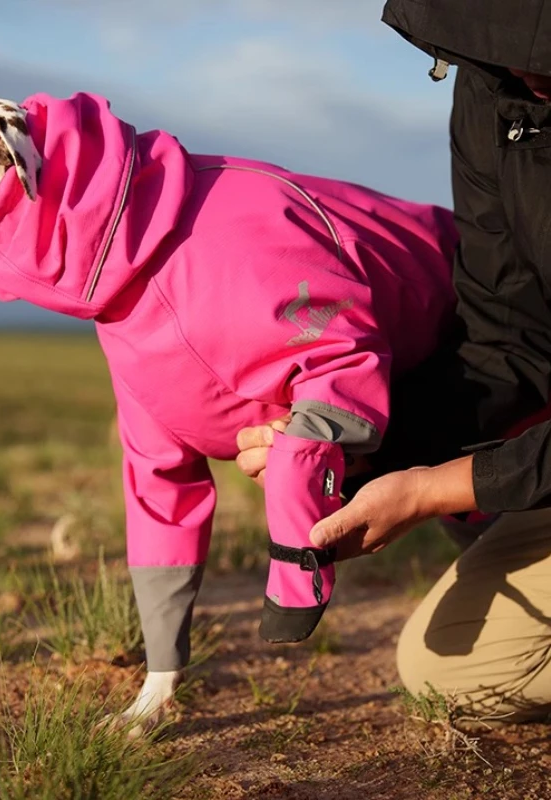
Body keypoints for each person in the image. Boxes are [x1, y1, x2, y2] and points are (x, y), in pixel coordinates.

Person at [237, 0, 551, 723]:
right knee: (458, 672)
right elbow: (509, 338)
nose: (529, 65)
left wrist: (435, 488)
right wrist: (361, 449)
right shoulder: (500, 88)